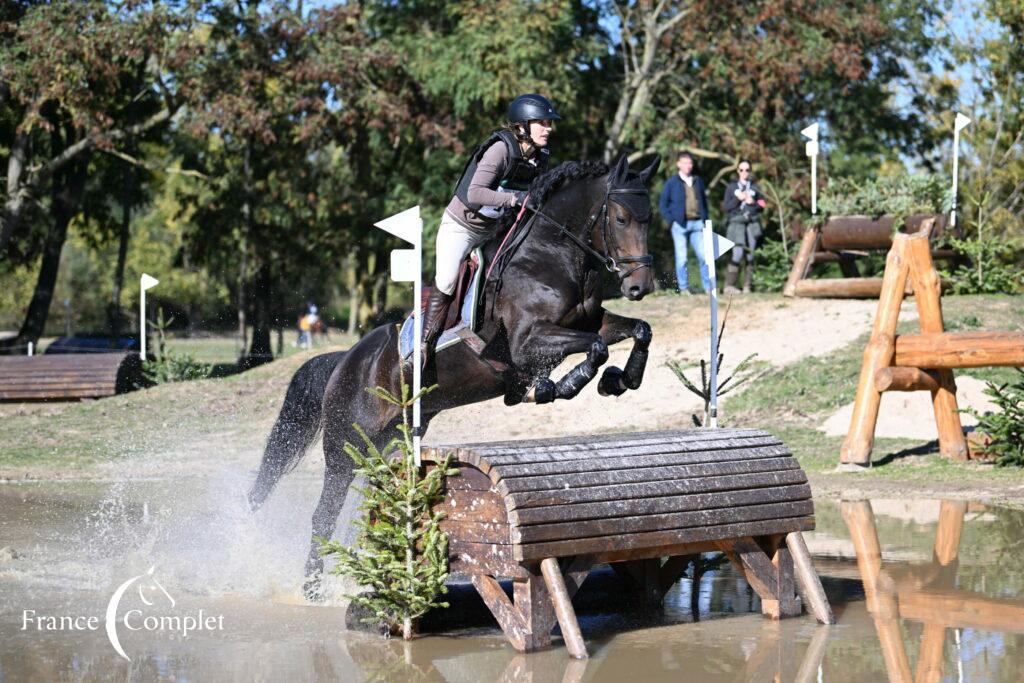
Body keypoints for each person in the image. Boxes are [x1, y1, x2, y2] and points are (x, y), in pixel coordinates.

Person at [419, 93, 561, 369]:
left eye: (549, 123)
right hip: (463, 227)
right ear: (522, 126)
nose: (548, 128)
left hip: (496, 230)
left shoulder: (540, 156)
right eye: (542, 123)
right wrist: (513, 200)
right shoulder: (500, 150)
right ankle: (425, 342)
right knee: (447, 279)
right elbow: (475, 192)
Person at [658, 152, 710, 294]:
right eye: (685, 163)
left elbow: (705, 203)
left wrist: (706, 220)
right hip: (679, 225)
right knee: (682, 258)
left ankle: (708, 287)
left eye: (690, 163)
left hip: (698, 224)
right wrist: (671, 220)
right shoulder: (671, 182)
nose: (688, 166)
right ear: (679, 164)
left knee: (704, 257)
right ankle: (683, 288)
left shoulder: (698, 181)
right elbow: (663, 204)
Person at [722, 160, 765, 293]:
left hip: (752, 223)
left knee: (751, 255)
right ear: (737, 171)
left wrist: (753, 203)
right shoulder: (731, 187)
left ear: (750, 171)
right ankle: (729, 285)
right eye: (741, 170)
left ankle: (748, 285)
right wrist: (738, 199)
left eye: (747, 170)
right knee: (737, 253)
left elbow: (763, 204)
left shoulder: (756, 187)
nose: (744, 172)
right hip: (736, 223)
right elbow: (726, 207)